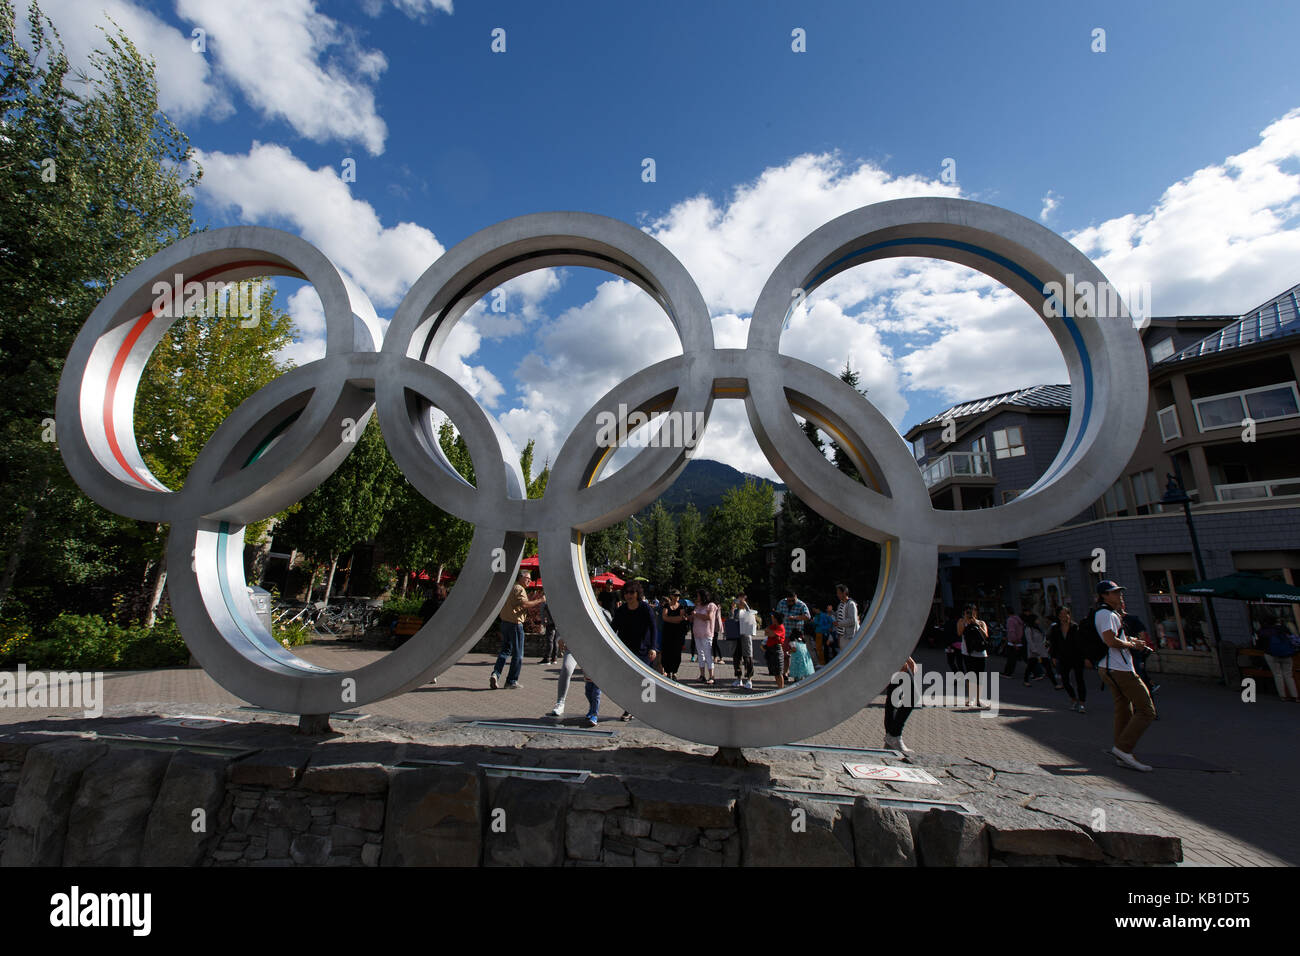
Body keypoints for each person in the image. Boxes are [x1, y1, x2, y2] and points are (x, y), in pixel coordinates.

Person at [1094, 580, 1157, 772]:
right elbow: (1110, 641)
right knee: (1147, 710)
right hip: (1119, 669)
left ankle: (1121, 752)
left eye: (1119, 591)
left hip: (1111, 667)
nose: (1119, 595)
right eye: (1114, 592)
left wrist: (1131, 641)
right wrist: (1132, 645)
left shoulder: (1110, 614)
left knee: (1124, 709)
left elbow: (1116, 638)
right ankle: (1123, 748)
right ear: (1104, 596)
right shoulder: (1105, 614)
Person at [490, 571, 545, 689]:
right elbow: (525, 604)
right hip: (515, 625)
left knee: (505, 651)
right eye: (527, 578)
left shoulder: (510, 587)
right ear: (521, 578)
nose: (529, 581)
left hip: (505, 623)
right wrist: (540, 600)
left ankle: (496, 674)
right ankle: (511, 680)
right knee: (518, 654)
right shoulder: (519, 589)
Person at [611, 582, 657, 720]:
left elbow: (653, 628)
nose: (628, 595)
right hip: (626, 649)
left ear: (637, 594)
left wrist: (653, 648)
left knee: (647, 679)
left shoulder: (645, 608)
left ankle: (648, 710)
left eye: (631, 592)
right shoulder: (622, 610)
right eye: (626, 593)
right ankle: (629, 709)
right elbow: (613, 629)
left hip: (644, 649)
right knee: (628, 680)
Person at [1049, 607, 1085, 711]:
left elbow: (1081, 643)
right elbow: (1053, 643)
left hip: (1076, 657)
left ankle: (1082, 703)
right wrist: (1054, 656)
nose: (1063, 616)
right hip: (1063, 657)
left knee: (1080, 680)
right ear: (1058, 616)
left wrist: (1085, 657)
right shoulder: (1055, 628)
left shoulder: (1075, 627)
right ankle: (1073, 699)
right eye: (1061, 614)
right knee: (1065, 680)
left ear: (1069, 615)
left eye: (1065, 614)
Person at [1256, 617, 1299, 701]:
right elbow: (1292, 639)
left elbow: (1259, 644)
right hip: (1286, 654)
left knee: (1277, 675)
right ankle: (1295, 696)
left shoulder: (1263, 631)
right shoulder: (1283, 628)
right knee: (1289, 675)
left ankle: (1283, 696)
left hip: (1271, 655)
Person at [956, 604, 989, 708]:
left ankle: (979, 700)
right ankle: (971, 698)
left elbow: (986, 636)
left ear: (976, 611)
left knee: (980, 677)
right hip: (968, 652)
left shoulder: (981, 622)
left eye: (972, 610)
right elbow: (959, 633)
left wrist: (977, 625)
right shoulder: (961, 621)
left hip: (981, 653)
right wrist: (966, 621)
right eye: (968, 611)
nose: (971, 613)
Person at [884, 656, 918, 753]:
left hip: (893, 657)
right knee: (912, 697)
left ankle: (890, 739)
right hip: (895, 657)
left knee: (893, 698)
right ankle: (894, 736)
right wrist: (906, 658)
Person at [691, 589, 723, 685]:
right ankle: (702, 675)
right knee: (700, 655)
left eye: (698, 596)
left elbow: (709, 617)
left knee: (708, 654)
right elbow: (694, 617)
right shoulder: (698, 605)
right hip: (697, 633)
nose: (697, 598)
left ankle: (711, 676)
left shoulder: (711, 605)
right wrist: (690, 616)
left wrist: (696, 614)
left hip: (706, 633)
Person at [659, 590, 690, 681]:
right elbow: (664, 617)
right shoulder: (666, 605)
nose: (677, 597)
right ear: (671, 596)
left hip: (678, 633)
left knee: (676, 652)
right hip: (667, 633)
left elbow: (681, 618)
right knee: (667, 652)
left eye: (678, 595)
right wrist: (675, 619)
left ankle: (675, 671)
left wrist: (671, 619)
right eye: (675, 595)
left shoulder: (681, 606)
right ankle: (668, 671)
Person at [1123, 612, 1157, 693]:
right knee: (1139, 671)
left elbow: (1142, 635)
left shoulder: (1132, 619)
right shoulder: (1119, 619)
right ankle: (1148, 686)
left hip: (1136, 650)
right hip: (1130, 651)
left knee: (1139, 671)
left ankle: (1146, 689)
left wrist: (1141, 646)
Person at [1022, 612, 1056, 687]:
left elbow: (1043, 638)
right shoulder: (1028, 629)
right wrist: (1034, 650)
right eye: (1037, 619)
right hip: (1034, 652)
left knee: (1048, 667)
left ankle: (1055, 684)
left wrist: (1046, 645)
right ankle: (1025, 680)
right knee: (1030, 667)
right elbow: (1029, 641)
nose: (1039, 620)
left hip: (1042, 651)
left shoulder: (1038, 628)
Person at [732, 593, 757, 690]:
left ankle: (749, 679)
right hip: (736, 636)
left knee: (748, 657)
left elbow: (751, 615)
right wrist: (732, 608)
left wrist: (745, 605)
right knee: (737, 657)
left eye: (742, 600)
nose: (740, 602)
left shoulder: (748, 611)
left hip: (746, 636)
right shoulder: (736, 611)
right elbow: (732, 620)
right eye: (738, 600)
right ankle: (738, 678)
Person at [833, 584, 858, 662]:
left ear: (844, 593)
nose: (837, 595)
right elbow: (839, 616)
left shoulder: (851, 604)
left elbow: (852, 620)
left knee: (850, 657)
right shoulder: (840, 604)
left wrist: (839, 624)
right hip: (842, 636)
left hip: (850, 636)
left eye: (839, 593)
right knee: (844, 658)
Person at [764, 611, 787, 689]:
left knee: (779, 671)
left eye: (773, 617)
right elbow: (766, 632)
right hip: (770, 649)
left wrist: (772, 633)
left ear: (776, 619)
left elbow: (772, 634)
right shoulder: (773, 626)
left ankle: (781, 688)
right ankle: (778, 687)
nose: (772, 618)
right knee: (774, 671)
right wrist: (772, 633)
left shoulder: (780, 627)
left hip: (777, 649)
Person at [1002, 606, 1025, 678]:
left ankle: (1007, 673)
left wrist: (1014, 642)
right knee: (1024, 658)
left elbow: (1012, 631)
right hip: (1020, 642)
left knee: (1011, 659)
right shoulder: (1018, 620)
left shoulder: (1010, 620)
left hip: (1013, 643)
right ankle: (1036, 671)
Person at [537, 598, 559, 665]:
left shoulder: (545, 601)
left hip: (549, 623)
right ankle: (554, 658)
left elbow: (543, 613)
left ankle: (547, 659)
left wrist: (543, 623)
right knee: (555, 641)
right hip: (556, 623)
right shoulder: (555, 599)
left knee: (549, 641)